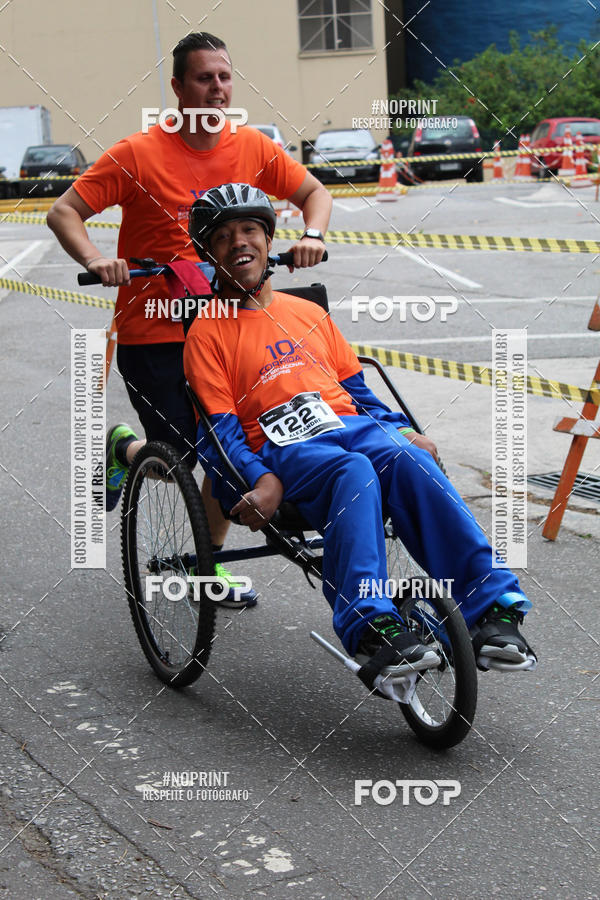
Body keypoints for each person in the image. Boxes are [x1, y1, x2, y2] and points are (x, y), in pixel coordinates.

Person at [182, 183, 537, 675]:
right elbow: (218, 432)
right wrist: (260, 480)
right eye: (222, 237)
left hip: (347, 424)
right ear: (209, 254)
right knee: (353, 471)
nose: (238, 241)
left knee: (408, 459)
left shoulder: (307, 313)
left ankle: (492, 609)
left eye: (248, 230)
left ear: (268, 240)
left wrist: (402, 430)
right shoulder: (207, 332)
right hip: (284, 448)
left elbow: (360, 395)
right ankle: (370, 625)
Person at [47, 32, 332, 607]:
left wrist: (312, 236)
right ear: (178, 88)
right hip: (155, 327)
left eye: (225, 77)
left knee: (229, 449)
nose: (218, 89)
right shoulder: (137, 154)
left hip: (229, 326)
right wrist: (97, 259)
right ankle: (123, 449)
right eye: (205, 78)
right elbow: (64, 212)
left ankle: (210, 567)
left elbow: (314, 194)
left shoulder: (252, 146)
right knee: (176, 456)